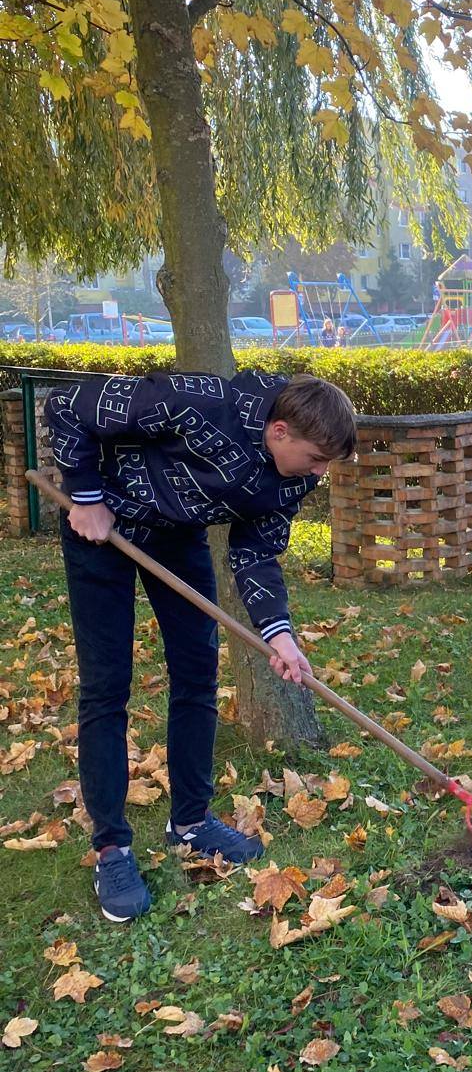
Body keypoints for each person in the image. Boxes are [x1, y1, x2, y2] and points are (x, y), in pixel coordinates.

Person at [44, 371, 357, 922]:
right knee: (106, 685)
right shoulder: (194, 401)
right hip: (101, 528)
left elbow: (256, 553)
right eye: (315, 459)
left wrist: (279, 634)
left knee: (196, 676)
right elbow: (67, 405)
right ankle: (112, 848)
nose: (320, 473)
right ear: (280, 431)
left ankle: (189, 821)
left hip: (175, 536)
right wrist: (86, 495)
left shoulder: (293, 477)